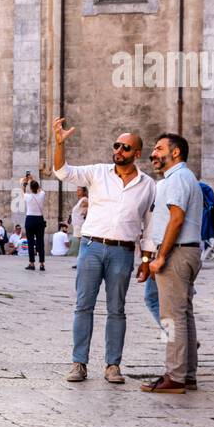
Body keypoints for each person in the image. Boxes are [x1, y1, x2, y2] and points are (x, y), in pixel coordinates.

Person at [52, 117, 157, 385]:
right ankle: (79, 363)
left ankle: (113, 365)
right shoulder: (97, 172)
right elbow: (62, 172)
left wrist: (146, 259)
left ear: (137, 153)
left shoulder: (148, 185)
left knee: (116, 309)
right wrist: (59, 143)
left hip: (123, 251)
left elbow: (149, 225)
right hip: (91, 247)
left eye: (125, 147)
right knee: (83, 306)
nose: (118, 151)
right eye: (116, 146)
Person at [138, 133, 205, 394]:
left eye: (158, 149)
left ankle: (174, 375)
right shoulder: (184, 178)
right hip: (187, 251)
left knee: (170, 318)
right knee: (183, 314)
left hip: (177, 253)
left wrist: (161, 255)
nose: (153, 154)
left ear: (175, 153)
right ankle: (186, 373)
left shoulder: (177, 179)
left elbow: (176, 219)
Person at [23, 180, 47, 271]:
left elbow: (23, 192)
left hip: (29, 219)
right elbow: (41, 190)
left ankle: (31, 263)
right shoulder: (42, 195)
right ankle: (42, 264)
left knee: (30, 242)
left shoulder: (27, 196)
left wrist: (24, 185)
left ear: (30, 188)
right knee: (40, 242)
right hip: (39, 219)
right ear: (37, 187)